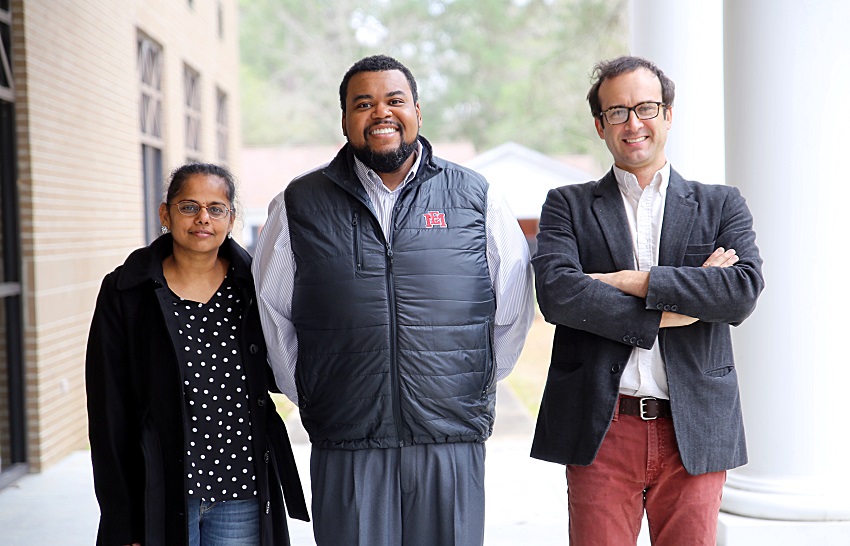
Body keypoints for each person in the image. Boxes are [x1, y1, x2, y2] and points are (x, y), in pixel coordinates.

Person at [252, 54, 535, 546]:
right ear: (344, 120)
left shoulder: (475, 197)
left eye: (395, 100)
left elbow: (512, 307)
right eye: (363, 104)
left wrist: (468, 386)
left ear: (417, 112)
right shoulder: (298, 204)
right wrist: (318, 394)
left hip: (449, 440)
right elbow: (274, 316)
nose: (381, 112)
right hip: (347, 442)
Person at [530, 56, 764, 545]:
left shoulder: (721, 204)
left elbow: (740, 292)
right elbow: (558, 294)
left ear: (668, 114)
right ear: (600, 125)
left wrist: (630, 281)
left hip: (694, 428)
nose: (633, 123)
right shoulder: (567, 205)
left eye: (646, 108)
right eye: (617, 112)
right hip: (603, 427)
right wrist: (676, 309)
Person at [85, 163, 308, 546]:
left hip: (241, 486)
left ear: (231, 218)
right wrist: (122, 518)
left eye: (216, 208)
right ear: (165, 214)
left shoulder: (254, 289)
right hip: (161, 491)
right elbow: (108, 410)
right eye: (189, 206)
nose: (203, 218)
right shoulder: (126, 292)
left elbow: (283, 364)